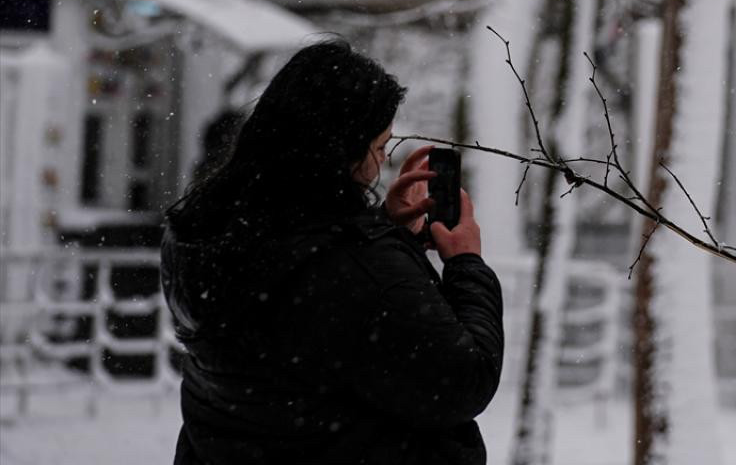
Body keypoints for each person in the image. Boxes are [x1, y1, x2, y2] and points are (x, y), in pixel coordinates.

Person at [161, 40, 503, 465]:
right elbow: (465, 380)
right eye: (379, 148)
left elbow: (308, 329)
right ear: (341, 150)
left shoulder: (208, 235)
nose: (382, 163)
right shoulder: (347, 269)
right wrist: (466, 264)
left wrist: (382, 230)